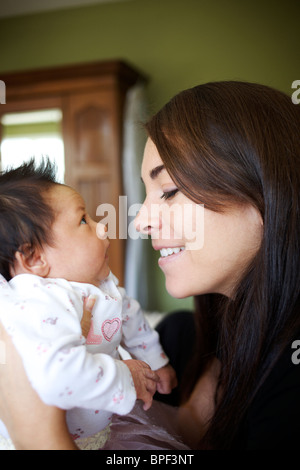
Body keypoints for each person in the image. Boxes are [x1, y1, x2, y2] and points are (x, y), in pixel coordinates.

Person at [1, 80, 300, 450]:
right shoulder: (204, 336)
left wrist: (37, 431)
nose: (140, 221)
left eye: (169, 192)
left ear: (266, 189)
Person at [0, 160, 179, 450]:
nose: (102, 226)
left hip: (97, 427)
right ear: (34, 259)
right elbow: (58, 374)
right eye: (84, 220)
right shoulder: (40, 300)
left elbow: (129, 314)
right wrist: (126, 375)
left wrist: (157, 361)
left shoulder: (97, 285)